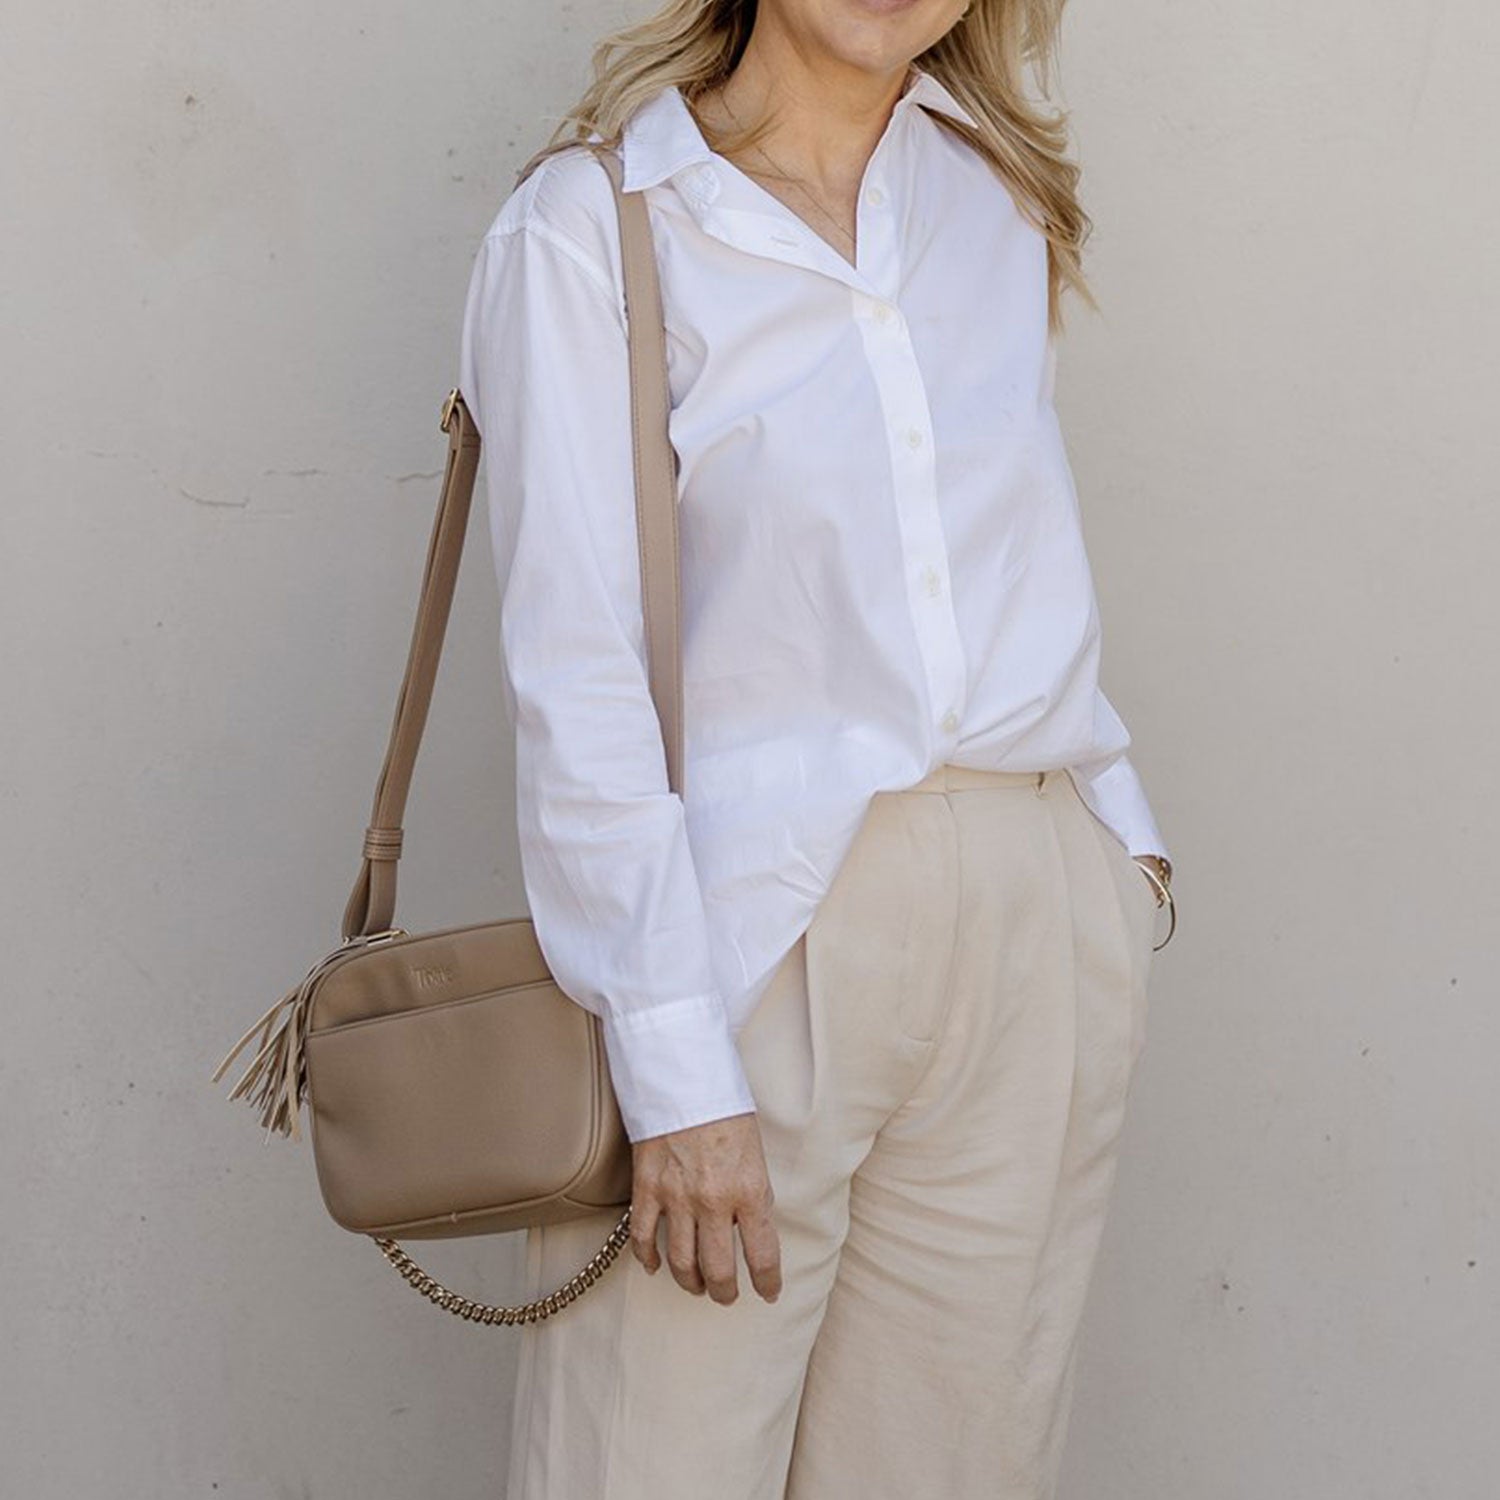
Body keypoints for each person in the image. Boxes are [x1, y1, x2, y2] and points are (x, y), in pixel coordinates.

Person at [456, 1, 1176, 1495]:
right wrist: (674, 1066)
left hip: (1030, 908)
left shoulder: (990, 194)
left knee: (956, 1468)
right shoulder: (597, 226)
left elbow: (1008, 544)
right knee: (650, 1463)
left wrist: (1120, 847)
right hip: (751, 940)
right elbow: (578, 674)